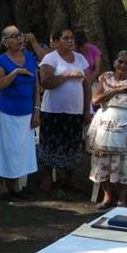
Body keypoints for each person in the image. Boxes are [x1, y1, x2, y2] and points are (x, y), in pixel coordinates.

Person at [85, 50, 127, 208]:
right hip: (106, 124)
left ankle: (121, 198)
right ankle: (107, 197)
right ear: (114, 63)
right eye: (120, 62)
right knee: (104, 160)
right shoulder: (105, 78)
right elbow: (96, 100)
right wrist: (115, 90)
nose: (123, 66)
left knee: (124, 162)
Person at [0, 25, 40, 200]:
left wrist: (36, 111)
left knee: (20, 149)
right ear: (6, 42)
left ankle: (16, 185)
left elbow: (36, 86)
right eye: (14, 36)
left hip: (26, 112)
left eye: (20, 35)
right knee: (5, 148)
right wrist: (16, 72)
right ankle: (2, 184)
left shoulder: (30, 58)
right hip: (7, 112)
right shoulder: (2, 61)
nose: (19, 39)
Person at [38, 28, 90, 193]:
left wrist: (87, 109)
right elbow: (46, 83)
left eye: (72, 38)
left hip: (75, 110)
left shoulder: (81, 59)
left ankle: (69, 177)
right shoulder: (50, 58)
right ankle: (47, 177)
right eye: (66, 38)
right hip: (52, 110)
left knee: (72, 144)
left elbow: (87, 85)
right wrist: (67, 75)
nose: (70, 41)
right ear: (56, 42)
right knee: (50, 143)